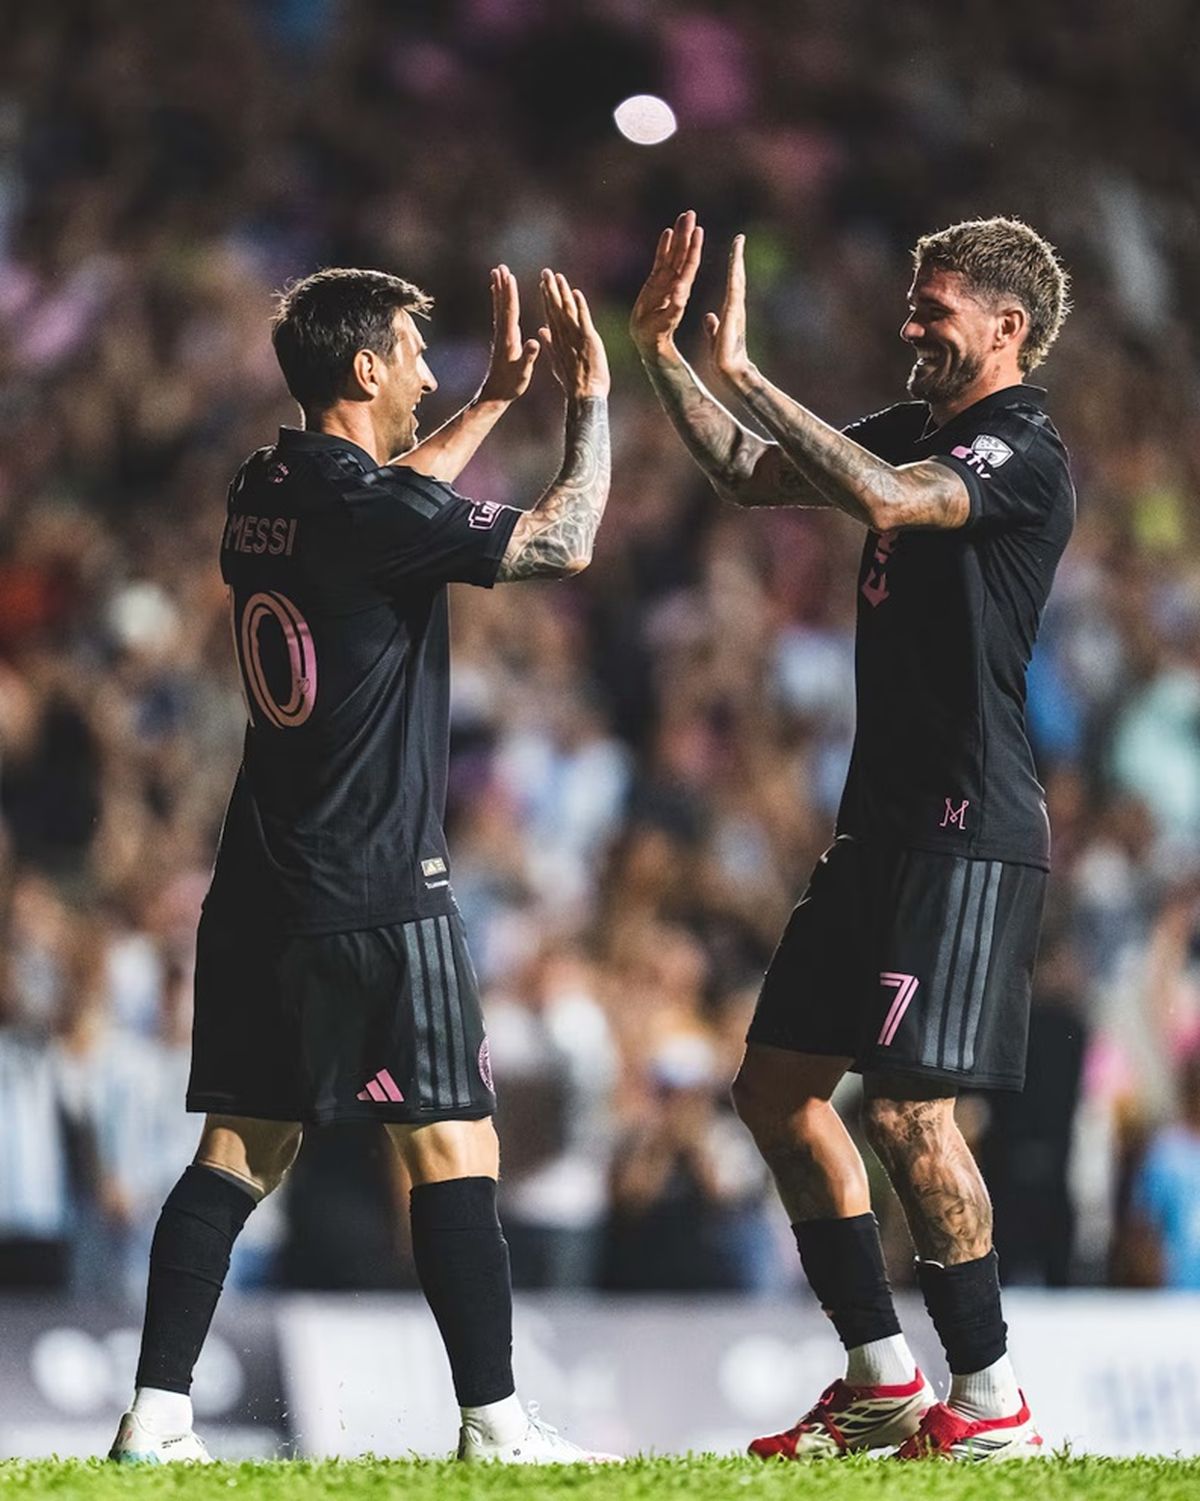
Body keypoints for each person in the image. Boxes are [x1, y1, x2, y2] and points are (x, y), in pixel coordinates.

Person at [109, 262, 613, 1465]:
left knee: (241, 1146)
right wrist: (589, 408)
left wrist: (490, 402)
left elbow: (386, 505)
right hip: (379, 883)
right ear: (367, 367)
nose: (429, 372)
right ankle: (495, 1424)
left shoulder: (264, 486)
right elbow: (567, 541)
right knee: (454, 1139)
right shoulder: (367, 511)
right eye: (415, 353)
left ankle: (157, 1415)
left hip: (261, 886)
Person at [631, 210, 1073, 1461]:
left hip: (966, 828)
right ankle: (881, 1378)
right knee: (775, 1090)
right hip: (878, 829)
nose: (908, 326)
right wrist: (667, 353)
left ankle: (993, 1405)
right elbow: (745, 468)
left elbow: (880, 496)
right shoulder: (920, 429)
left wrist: (750, 371)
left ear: (1006, 327)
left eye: (934, 310)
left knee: (909, 1115)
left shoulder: (1020, 449)